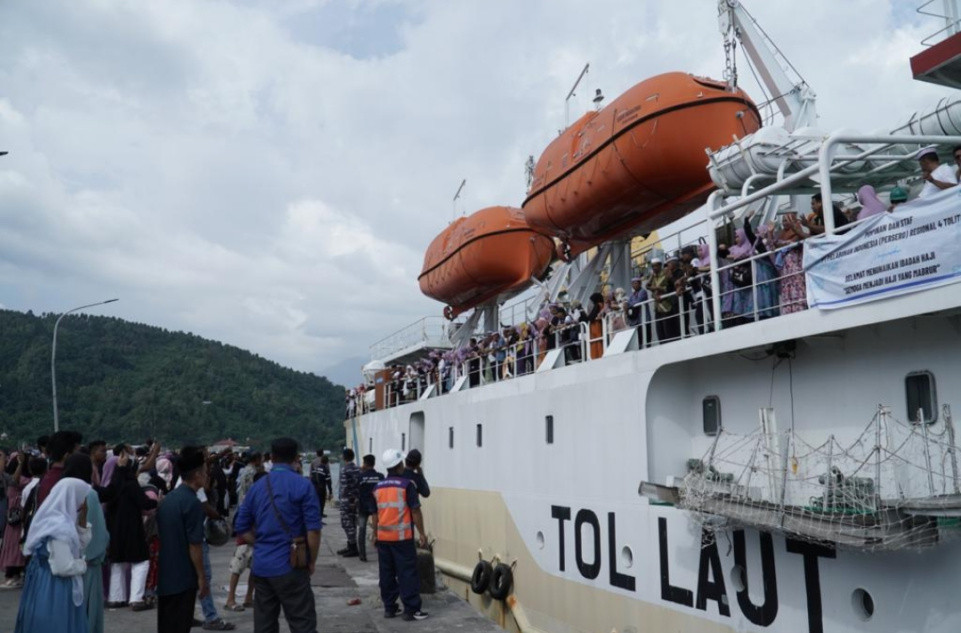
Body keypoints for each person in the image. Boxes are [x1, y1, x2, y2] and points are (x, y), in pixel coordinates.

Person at [234, 437, 321, 633]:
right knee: (303, 624)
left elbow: (241, 526)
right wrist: (311, 560)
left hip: (262, 567)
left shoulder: (257, 487)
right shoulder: (303, 486)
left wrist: (261, 543)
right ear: (296, 458)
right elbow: (313, 531)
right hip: (292, 565)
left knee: (264, 626)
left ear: (271, 458)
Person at [14, 478, 91, 633]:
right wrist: (82, 565)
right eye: (81, 498)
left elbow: (79, 544)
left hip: (43, 583)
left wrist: (82, 520)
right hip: (54, 588)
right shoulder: (59, 527)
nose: (83, 504)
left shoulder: (53, 519)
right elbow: (63, 567)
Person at [370, 448, 428, 621]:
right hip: (402, 538)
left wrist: (374, 533)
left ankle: (390, 608)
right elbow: (415, 511)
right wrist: (422, 533)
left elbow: (375, 514)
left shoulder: (377, 487)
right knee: (407, 573)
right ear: (399, 466)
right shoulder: (406, 485)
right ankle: (411, 610)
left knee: (386, 573)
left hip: (383, 538)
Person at [156, 447, 208, 633]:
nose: (207, 476)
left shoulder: (169, 499)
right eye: (205, 472)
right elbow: (194, 545)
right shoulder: (192, 503)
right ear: (197, 475)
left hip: (165, 575)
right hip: (183, 577)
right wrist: (202, 577)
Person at [62, 453, 109, 633]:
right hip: (88, 562)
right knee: (89, 614)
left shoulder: (61, 491)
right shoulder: (89, 493)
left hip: (67, 561)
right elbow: (97, 531)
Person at [105, 448, 157, 611]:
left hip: (115, 529)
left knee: (117, 563)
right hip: (132, 527)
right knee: (140, 561)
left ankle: (116, 597)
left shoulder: (113, 485)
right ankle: (135, 598)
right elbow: (144, 503)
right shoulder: (130, 484)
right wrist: (157, 501)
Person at [0, 453, 29, 588]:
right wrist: (21, 463)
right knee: (14, 545)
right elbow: (15, 480)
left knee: (13, 546)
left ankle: (14, 575)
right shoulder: (16, 479)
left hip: (14, 518)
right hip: (15, 518)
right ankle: (13, 575)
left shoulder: (16, 479)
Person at [357, 454, 385, 563]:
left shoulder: (361, 477)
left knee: (362, 530)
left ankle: (362, 555)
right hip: (378, 508)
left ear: (365, 464)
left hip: (363, 507)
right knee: (380, 529)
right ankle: (382, 553)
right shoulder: (381, 476)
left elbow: (356, 491)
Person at [338, 448, 361, 557]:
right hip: (355, 500)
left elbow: (345, 487)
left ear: (344, 457)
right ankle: (350, 545)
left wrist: (344, 499)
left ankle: (353, 547)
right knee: (352, 523)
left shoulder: (345, 469)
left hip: (346, 500)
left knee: (346, 523)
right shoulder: (357, 469)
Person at [309, 450, 332, 517]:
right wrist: (330, 491)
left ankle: (317, 513)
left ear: (316, 453)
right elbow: (328, 478)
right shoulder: (325, 466)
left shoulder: (313, 462)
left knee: (316, 499)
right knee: (322, 500)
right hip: (322, 485)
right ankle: (320, 513)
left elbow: (311, 474)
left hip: (315, 485)